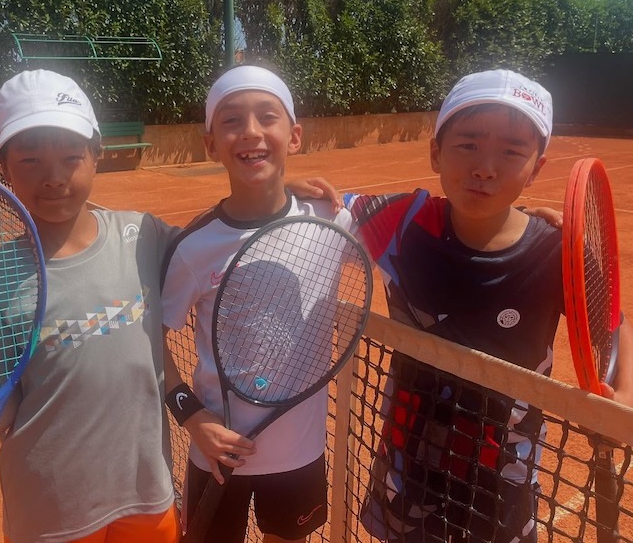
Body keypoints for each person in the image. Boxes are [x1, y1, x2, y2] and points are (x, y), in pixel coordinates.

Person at [340, 69, 633, 542]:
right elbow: (323, 213)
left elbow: (612, 323)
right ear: (436, 152)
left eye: (512, 151)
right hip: (406, 471)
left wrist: (624, 395)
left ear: (536, 168)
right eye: (468, 144)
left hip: (503, 487)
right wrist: (300, 195)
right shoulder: (403, 222)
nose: (485, 167)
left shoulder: (557, 252)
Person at [0, 69, 183, 543]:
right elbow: (1, 399)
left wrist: (281, 198)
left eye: (71, 157)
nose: (53, 177)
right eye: (30, 160)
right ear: (3, 165)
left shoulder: (144, 236)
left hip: (147, 493)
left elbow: (223, 248)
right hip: (52, 510)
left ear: (96, 155)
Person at [160, 65, 352, 543]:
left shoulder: (332, 220)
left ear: (295, 136)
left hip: (299, 454)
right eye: (231, 120)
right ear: (210, 145)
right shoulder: (193, 248)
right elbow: (148, 342)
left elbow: (418, 222)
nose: (250, 131)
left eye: (268, 116)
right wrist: (191, 416)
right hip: (215, 452)